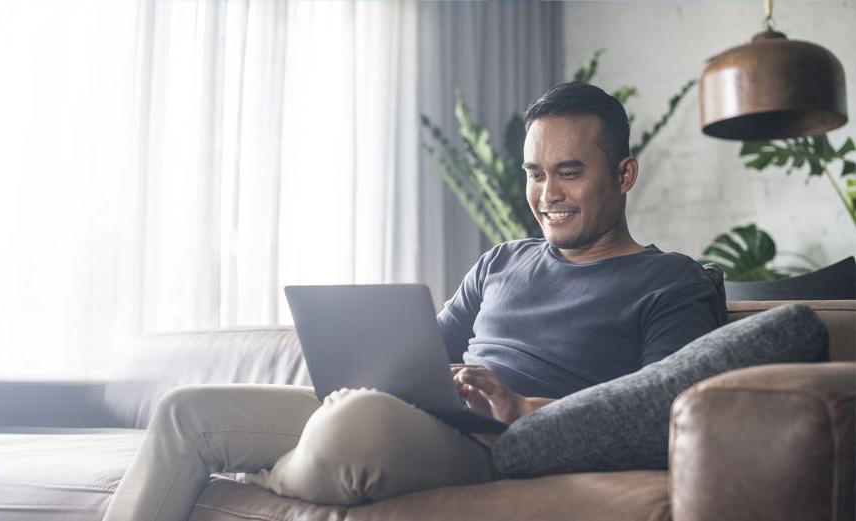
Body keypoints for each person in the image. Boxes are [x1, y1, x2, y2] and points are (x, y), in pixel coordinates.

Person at [104, 82, 726, 521]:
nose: (546, 194)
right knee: (188, 411)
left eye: (569, 171)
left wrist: (524, 406)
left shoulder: (672, 283)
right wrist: (387, 375)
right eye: (534, 173)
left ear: (623, 174)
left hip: (501, 445)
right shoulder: (502, 261)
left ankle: (268, 470)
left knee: (354, 424)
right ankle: (302, 450)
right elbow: (417, 358)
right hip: (418, 419)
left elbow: (661, 416)